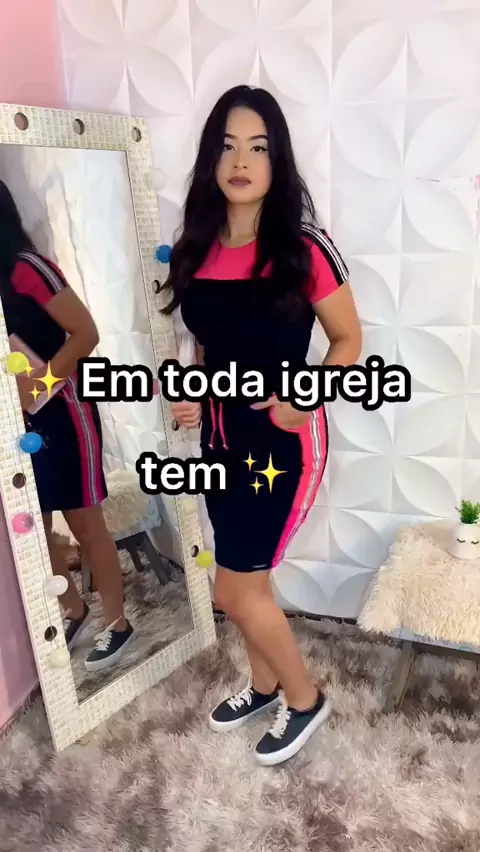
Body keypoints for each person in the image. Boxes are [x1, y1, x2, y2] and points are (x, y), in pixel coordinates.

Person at [161, 85, 362, 766]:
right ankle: (265, 684)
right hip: (221, 441)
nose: (241, 161)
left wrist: (305, 395)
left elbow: (347, 342)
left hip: (284, 440)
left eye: (258, 147)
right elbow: (204, 346)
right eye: (227, 147)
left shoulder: (304, 249)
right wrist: (190, 391)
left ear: (278, 160)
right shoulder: (194, 250)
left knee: (234, 587)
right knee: (248, 577)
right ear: (210, 159)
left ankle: (305, 699)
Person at [0, 180, 134, 672]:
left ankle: (118, 622)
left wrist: (42, 384)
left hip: (64, 409)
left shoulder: (27, 268)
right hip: (18, 419)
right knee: (34, 524)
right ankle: (74, 609)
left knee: (84, 522)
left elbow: (86, 333)